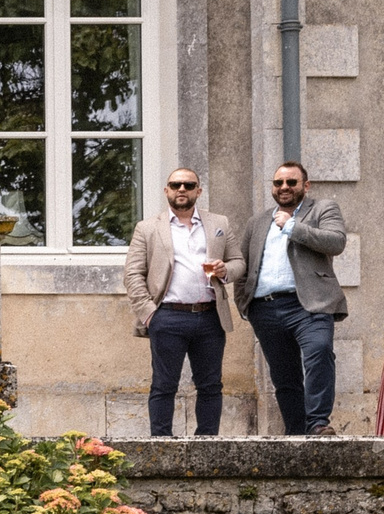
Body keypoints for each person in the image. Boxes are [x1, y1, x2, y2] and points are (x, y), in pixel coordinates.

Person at [233, 160, 350, 435]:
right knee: (284, 376)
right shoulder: (257, 222)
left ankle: (318, 423)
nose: (284, 187)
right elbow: (245, 263)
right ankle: (297, 433)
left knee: (320, 352)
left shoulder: (322, 209)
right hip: (266, 309)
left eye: (291, 182)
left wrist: (292, 226)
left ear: (305, 186)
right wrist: (245, 302)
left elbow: (336, 242)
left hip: (310, 305)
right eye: (278, 183)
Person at [122, 167, 233, 436]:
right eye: (175, 185)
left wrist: (225, 270)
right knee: (163, 385)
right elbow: (133, 273)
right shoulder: (147, 228)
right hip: (168, 316)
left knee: (210, 385)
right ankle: (161, 443)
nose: (181, 189)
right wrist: (151, 314)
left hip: (209, 315)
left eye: (188, 185)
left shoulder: (219, 223)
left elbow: (238, 261)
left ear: (198, 191)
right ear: (166, 191)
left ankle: (207, 443)